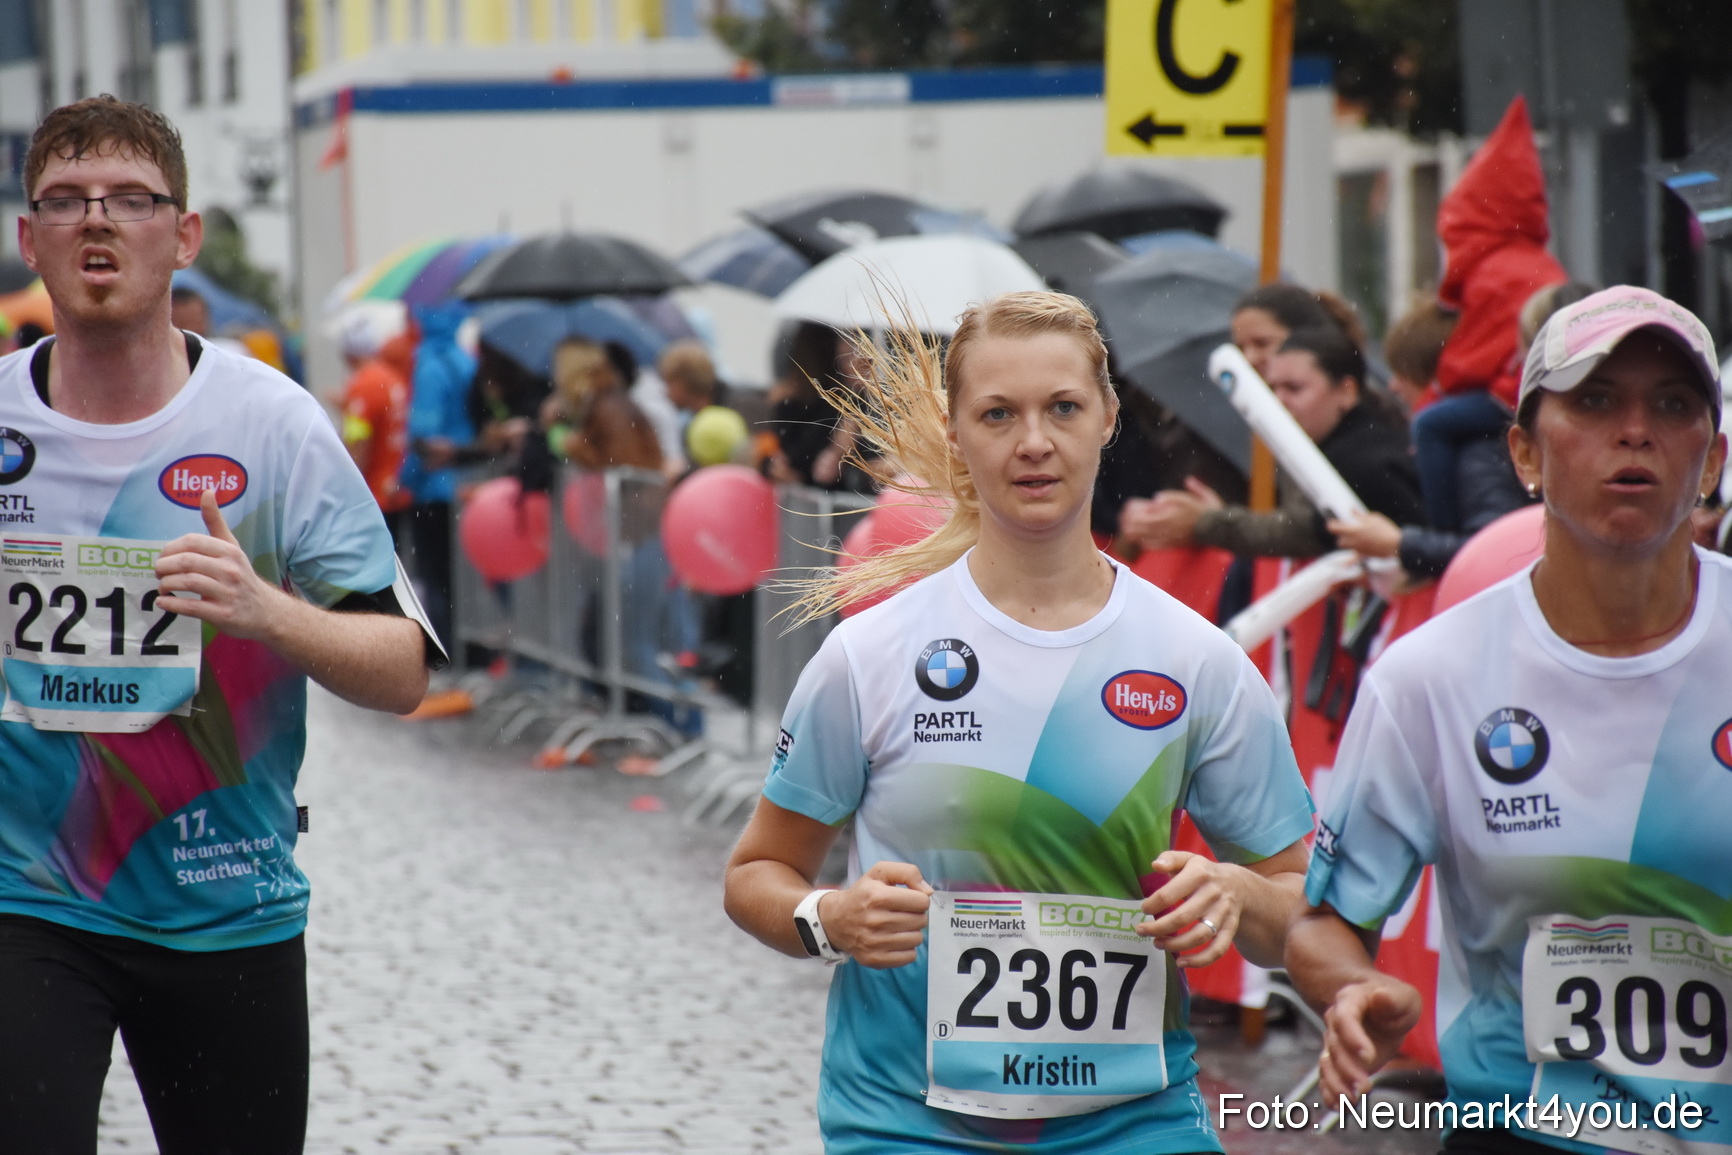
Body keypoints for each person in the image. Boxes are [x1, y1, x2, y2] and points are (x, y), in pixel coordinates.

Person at [724, 291, 1314, 1153]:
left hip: (1135, 1123)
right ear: (957, 434)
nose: (1033, 442)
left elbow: (1305, 911)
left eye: (1063, 408)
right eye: (998, 413)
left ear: (1108, 418)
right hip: (905, 1123)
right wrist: (830, 916)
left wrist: (1240, 893)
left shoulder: (1197, 661)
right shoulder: (872, 654)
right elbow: (757, 871)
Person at [0, 96, 442, 1153]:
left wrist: (263, 612)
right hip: (28, 897)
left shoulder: (271, 424)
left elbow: (403, 671)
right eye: (64, 201)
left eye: (130, 200)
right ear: (30, 239)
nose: (96, 222)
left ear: (184, 234)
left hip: (223, 900)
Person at [1287, 286, 1730, 1154]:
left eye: (1672, 405)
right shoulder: (1431, 677)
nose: (1634, 430)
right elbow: (1328, 918)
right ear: (1525, 453)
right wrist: (1350, 989)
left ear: (1711, 461)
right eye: (1595, 401)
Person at [1133, 325, 1424, 559]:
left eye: (1294, 389)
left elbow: (1309, 531)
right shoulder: (1343, 444)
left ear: (1346, 392)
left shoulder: (1363, 459)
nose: (1279, 402)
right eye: (1272, 389)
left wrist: (1211, 522)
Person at [1413, 95, 1566, 534]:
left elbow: (1471, 359)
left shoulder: (1496, 271)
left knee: (1431, 426)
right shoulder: (1530, 261)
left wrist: (1436, 390)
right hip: (1526, 386)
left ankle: (1441, 534)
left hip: (1512, 393)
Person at [402, 300, 476, 647]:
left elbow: (423, 432)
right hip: (467, 483)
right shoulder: (466, 360)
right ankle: (467, 647)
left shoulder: (428, 364)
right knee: (463, 578)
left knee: (437, 576)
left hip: (434, 487)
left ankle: (446, 648)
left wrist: (408, 476)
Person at [337, 313, 415, 536]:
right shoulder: (394, 378)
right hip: (398, 485)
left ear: (347, 354)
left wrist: (347, 489)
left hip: (374, 493)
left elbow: (357, 440)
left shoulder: (361, 386)